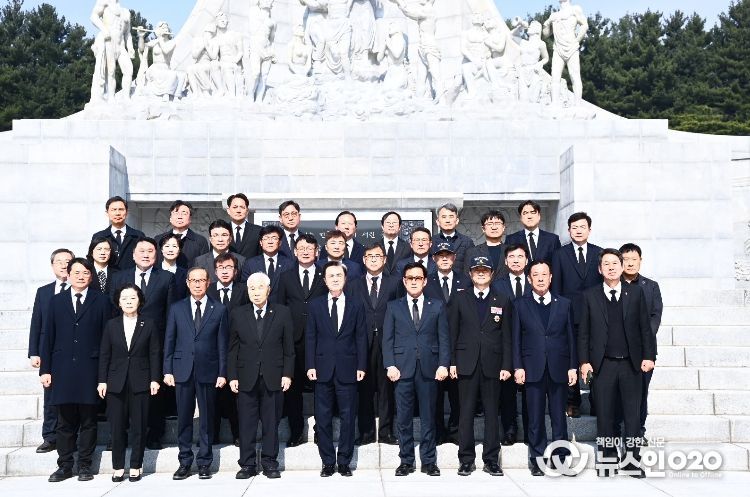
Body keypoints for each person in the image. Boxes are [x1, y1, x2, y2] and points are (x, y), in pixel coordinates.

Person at [579, 249, 655, 478]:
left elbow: (645, 329)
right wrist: (584, 362)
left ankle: (632, 461)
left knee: (632, 416)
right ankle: (608, 460)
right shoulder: (590, 296)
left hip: (631, 364)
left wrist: (649, 356)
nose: (611, 267)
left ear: (622, 267)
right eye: (606, 264)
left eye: (615, 263)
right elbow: (584, 333)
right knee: (605, 415)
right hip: (603, 365)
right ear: (599, 269)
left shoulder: (636, 293)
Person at [40, 258, 112, 482]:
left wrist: (104, 373)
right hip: (62, 370)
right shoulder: (56, 301)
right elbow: (47, 336)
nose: (81, 276)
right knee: (65, 422)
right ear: (68, 275)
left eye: (85, 273)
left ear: (91, 276)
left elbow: (107, 339)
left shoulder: (101, 301)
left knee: (89, 421)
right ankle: (64, 465)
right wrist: (45, 370)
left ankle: (84, 465)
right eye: (77, 272)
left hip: (90, 369)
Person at [383, 262, 450, 477]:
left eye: (418, 278)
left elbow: (444, 338)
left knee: (429, 417)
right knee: (403, 418)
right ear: (404, 281)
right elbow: (387, 339)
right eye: (410, 278)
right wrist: (390, 364)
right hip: (402, 370)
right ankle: (406, 461)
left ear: (425, 281)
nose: (414, 281)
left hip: (429, 369)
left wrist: (443, 364)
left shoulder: (437, 305)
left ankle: (429, 461)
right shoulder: (393, 306)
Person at [109, 237, 177, 449]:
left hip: (155, 343)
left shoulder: (166, 278)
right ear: (133, 255)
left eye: (150, 251)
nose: (146, 254)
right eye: (142, 251)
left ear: (156, 255)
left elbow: (170, 313)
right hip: (125, 342)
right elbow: (113, 310)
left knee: (155, 389)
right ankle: (120, 435)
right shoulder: (120, 277)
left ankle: (154, 434)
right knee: (123, 390)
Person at [448, 256, 512, 477]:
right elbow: (452, 333)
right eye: (477, 270)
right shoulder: (459, 298)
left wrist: (507, 365)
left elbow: (507, 337)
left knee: (492, 413)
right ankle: (466, 459)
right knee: (465, 412)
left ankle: (491, 460)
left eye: (485, 270)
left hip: (493, 364)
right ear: (470, 274)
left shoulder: (502, 299)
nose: (481, 273)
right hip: (466, 363)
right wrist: (452, 362)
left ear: (492, 274)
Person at [512, 260, 577, 476]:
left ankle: (561, 459)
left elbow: (571, 337)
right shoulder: (520, 304)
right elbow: (515, 339)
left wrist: (572, 366)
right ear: (529, 279)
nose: (540, 278)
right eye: (536, 275)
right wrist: (518, 366)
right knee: (535, 418)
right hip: (532, 368)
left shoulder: (564, 303)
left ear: (550, 277)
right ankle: (537, 459)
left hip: (559, 367)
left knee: (559, 418)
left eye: (544, 274)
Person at [163, 267, 228, 480]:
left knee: (207, 419)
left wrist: (222, 372)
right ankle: (184, 461)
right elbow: (169, 340)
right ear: (187, 283)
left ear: (208, 282)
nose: (197, 284)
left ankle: (204, 462)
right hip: (182, 369)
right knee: (184, 418)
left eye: (201, 280)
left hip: (208, 370)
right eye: (193, 280)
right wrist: (167, 369)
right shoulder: (177, 308)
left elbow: (222, 344)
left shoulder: (219, 309)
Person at [229, 272, 295, 479]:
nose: (256, 292)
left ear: (269, 290)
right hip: (245, 376)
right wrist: (232, 376)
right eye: (252, 288)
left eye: (260, 287)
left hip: (273, 376)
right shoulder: (238, 314)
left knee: (271, 423)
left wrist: (287, 374)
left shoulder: (282, 312)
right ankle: (247, 464)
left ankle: (269, 462)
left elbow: (289, 348)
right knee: (246, 424)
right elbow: (232, 348)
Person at [305, 262, 368, 477]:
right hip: (322, 368)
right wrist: (310, 365)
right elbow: (311, 337)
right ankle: (328, 462)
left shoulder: (356, 304)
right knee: (322, 418)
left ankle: (344, 462)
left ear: (345, 278)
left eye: (338, 275)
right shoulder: (315, 305)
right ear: (324, 280)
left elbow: (361, 337)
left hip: (348, 368)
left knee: (348, 417)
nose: (334, 279)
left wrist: (361, 365)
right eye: (330, 276)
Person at [97, 284, 161, 482]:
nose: (128, 302)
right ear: (118, 302)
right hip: (115, 383)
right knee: (117, 427)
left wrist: (155, 379)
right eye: (124, 298)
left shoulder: (148, 324)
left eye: (133, 298)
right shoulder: (111, 325)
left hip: (141, 381)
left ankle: (135, 465)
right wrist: (102, 381)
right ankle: (118, 467)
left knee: (139, 427)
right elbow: (104, 354)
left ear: (139, 300)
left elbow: (154, 353)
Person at [276, 234, 328, 446]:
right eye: (301, 248)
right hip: (293, 339)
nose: (305, 251)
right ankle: (296, 431)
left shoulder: (325, 275)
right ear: (295, 252)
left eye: (310, 248)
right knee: (293, 388)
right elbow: (279, 307)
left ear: (317, 252)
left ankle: (320, 430)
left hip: (320, 339)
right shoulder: (285, 276)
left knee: (321, 387)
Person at [349, 243, 403, 446]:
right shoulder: (353, 284)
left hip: (388, 342)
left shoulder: (395, 283)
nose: (373, 259)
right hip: (362, 343)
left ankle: (386, 431)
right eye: (369, 256)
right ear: (363, 260)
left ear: (385, 259)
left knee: (386, 388)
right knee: (364, 388)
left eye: (377, 256)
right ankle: (366, 432)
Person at [550, 212, 602, 418]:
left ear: (589, 229)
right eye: (574, 227)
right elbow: (556, 288)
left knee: (595, 358)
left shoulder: (599, 253)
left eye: (582, 227)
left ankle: (596, 400)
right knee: (569, 359)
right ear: (568, 230)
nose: (578, 231)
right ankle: (573, 402)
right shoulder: (559, 255)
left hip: (595, 316)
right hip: (569, 316)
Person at [29, 248, 74, 454]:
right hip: (49, 351)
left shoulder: (81, 290)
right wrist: (34, 352)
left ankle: (72, 435)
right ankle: (50, 436)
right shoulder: (44, 292)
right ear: (52, 265)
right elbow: (36, 323)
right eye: (59, 262)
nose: (64, 265)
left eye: (68, 261)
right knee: (50, 394)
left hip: (73, 350)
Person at [424, 242, 470, 445]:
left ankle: (455, 431)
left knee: (457, 392)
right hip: (433, 344)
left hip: (460, 343)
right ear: (434, 259)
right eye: (440, 255)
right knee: (434, 392)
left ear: (454, 258)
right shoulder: (427, 281)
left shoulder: (465, 280)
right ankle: (438, 432)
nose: (444, 258)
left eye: (448, 255)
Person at [617, 243, 663, 438]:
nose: (630, 263)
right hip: (618, 350)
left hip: (645, 350)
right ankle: (618, 429)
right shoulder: (613, 285)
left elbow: (655, 317)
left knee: (641, 393)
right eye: (625, 259)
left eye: (634, 259)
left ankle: (638, 431)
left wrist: (640, 340)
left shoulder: (651, 286)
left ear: (640, 261)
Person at [491, 244, 533, 445]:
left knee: (530, 391)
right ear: (506, 261)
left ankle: (531, 430)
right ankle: (509, 430)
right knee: (507, 392)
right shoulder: (497, 285)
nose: (516, 260)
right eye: (512, 257)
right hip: (505, 343)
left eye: (520, 256)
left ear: (527, 260)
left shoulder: (535, 282)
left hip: (530, 344)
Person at [208, 253, 248, 446]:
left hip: (238, 348)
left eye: (229, 267)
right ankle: (212, 434)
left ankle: (238, 434)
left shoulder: (244, 290)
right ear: (215, 271)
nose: (225, 271)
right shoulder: (208, 291)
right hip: (212, 349)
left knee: (236, 394)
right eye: (221, 268)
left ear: (236, 271)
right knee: (212, 395)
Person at [543, 0, 588, 104]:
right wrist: (547, 23)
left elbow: (585, 25)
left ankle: (577, 105)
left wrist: (577, 40)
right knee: (555, 76)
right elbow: (545, 34)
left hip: (572, 47)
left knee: (574, 76)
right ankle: (554, 104)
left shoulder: (575, 9)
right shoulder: (554, 15)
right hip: (558, 49)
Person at [90, 196, 145, 270]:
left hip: (130, 276)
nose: (117, 213)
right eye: (113, 210)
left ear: (127, 212)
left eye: (121, 209)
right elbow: (92, 261)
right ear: (107, 213)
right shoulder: (99, 236)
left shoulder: (138, 236)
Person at [240, 225, 293, 301]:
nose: (270, 242)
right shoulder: (250, 264)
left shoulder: (289, 264)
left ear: (280, 243)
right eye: (266, 238)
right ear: (261, 242)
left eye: (274, 238)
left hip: (281, 306)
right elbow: (245, 288)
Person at [157, 200, 210, 268]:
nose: (180, 217)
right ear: (170, 218)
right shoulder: (159, 239)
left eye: (184, 213)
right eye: (176, 213)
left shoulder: (200, 241)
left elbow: (204, 267)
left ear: (190, 219)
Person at [463, 210, 508, 280]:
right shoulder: (471, 252)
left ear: (503, 227)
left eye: (498, 223)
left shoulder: (511, 251)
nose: (494, 227)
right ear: (483, 229)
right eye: (490, 224)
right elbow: (467, 278)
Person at [431, 203, 475, 271]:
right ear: (437, 222)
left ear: (457, 221)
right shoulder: (431, 242)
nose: (448, 221)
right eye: (444, 217)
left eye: (451, 216)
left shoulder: (467, 242)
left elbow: (472, 267)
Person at [226, 193, 262, 260]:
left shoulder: (258, 231)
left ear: (247, 211)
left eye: (242, 207)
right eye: (235, 207)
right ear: (228, 210)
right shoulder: (221, 230)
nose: (238, 211)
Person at [378, 211, 412, 275]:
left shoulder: (408, 247)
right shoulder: (375, 246)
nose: (391, 225)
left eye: (394, 222)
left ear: (399, 227)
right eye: (388, 222)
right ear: (382, 226)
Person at [159, 233, 188, 300]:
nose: (170, 250)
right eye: (167, 246)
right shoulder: (153, 271)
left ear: (179, 250)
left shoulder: (186, 274)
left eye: (174, 246)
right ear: (161, 249)